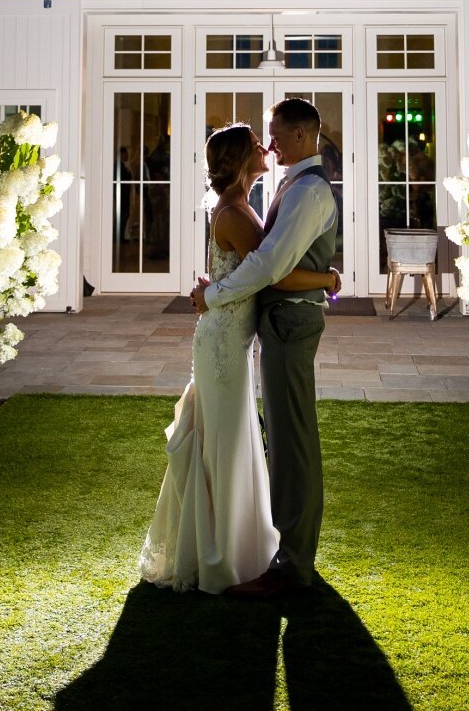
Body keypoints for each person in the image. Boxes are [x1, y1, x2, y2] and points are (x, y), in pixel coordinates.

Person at [139, 122, 339, 594]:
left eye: (268, 137)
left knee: (233, 443)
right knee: (227, 447)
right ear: (238, 159)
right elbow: (274, 274)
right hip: (224, 343)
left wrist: (214, 292)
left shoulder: (246, 205)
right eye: (255, 142)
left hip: (229, 339)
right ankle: (221, 557)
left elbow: (266, 267)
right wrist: (327, 279)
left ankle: (233, 547)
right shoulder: (235, 213)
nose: (264, 146)